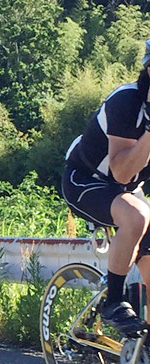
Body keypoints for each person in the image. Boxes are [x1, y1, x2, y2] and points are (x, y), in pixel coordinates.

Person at [61, 39, 150, 336]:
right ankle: (113, 300)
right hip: (86, 180)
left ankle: (142, 355)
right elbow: (122, 171)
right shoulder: (126, 103)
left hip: (128, 192)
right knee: (136, 217)